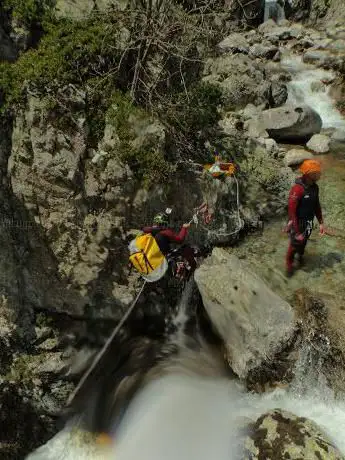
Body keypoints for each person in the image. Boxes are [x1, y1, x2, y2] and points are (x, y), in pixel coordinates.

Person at [286, 159, 326, 277]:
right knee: (294, 246)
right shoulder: (297, 189)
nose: (319, 174)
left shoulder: (315, 188)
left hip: (308, 222)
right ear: (308, 174)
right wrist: (296, 230)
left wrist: (321, 223)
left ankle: (300, 257)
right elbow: (291, 211)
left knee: (303, 243)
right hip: (297, 222)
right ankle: (289, 266)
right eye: (317, 172)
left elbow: (316, 205)